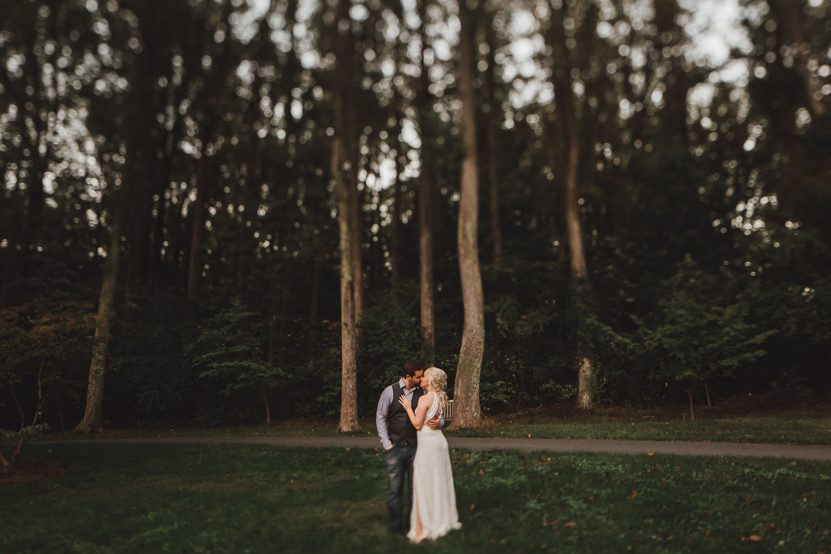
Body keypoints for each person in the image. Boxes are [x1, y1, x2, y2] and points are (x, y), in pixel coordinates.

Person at [376, 361, 442, 534]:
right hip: (395, 449)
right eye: (418, 376)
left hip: (417, 449)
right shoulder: (389, 392)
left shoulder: (424, 392)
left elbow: (437, 410)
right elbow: (381, 417)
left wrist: (440, 423)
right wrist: (386, 444)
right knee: (394, 491)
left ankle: (413, 527)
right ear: (408, 377)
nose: (421, 379)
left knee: (415, 491)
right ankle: (395, 528)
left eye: (422, 376)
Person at [398, 366, 462, 543]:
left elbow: (418, 425)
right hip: (439, 443)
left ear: (431, 380)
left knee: (424, 482)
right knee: (438, 482)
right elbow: (436, 418)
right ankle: (440, 518)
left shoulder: (424, 399)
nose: (422, 378)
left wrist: (408, 408)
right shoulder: (440, 397)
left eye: (425, 376)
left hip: (427, 445)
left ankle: (425, 525)